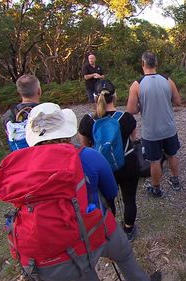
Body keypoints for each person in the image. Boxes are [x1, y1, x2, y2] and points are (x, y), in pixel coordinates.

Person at [0, 102, 159, 281]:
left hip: (52, 252)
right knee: (124, 255)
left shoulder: (21, 169)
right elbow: (111, 192)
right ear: (65, 131)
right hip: (96, 227)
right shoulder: (87, 156)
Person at [78, 80, 140, 241]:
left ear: (95, 97)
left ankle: (111, 230)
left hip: (102, 168)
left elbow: (85, 148)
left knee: (107, 200)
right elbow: (134, 139)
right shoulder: (126, 118)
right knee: (129, 197)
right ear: (115, 96)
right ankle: (129, 228)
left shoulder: (87, 121)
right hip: (127, 163)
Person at [127, 51, 182, 198]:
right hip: (169, 128)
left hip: (151, 132)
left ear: (143, 64)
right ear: (156, 64)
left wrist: (140, 106)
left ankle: (156, 189)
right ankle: (175, 181)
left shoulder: (137, 85)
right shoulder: (168, 80)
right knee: (172, 154)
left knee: (154, 161)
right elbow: (178, 101)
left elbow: (131, 110)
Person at [2, 74, 41, 151]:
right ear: (39, 91)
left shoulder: (8, 115)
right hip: (44, 157)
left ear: (19, 92)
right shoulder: (45, 111)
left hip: (20, 158)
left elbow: (10, 137)